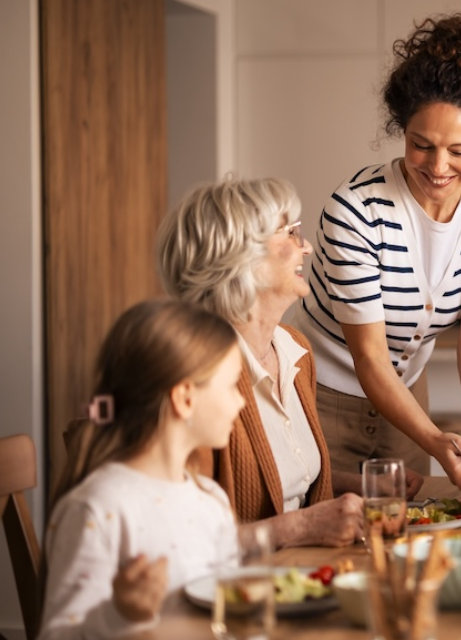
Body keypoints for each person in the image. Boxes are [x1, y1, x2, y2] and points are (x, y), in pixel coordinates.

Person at [295, 14, 461, 500]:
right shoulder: (355, 209)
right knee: (327, 535)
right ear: (403, 130)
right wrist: (434, 437)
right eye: (421, 145)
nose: (438, 167)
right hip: (321, 395)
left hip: (406, 395)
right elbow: (370, 356)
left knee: (410, 533)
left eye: (459, 150)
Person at [157, 177, 421, 548]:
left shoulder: (294, 349)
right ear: (239, 256)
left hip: (300, 576)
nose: (307, 248)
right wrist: (299, 528)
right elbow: (173, 538)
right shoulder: (192, 377)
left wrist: (358, 484)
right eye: (291, 234)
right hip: (235, 595)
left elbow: (291, 481)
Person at [41, 300, 242, 639]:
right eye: (232, 385)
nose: (242, 401)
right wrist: (120, 615)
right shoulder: (97, 510)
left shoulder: (212, 501)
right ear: (185, 398)